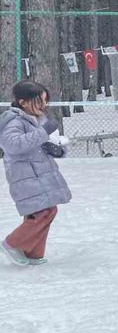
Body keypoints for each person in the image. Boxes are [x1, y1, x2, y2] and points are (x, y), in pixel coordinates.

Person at [0, 81, 71, 267]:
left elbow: (50, 140)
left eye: (45, 102)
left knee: (45, 210)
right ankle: (12, 243)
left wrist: (57, 149)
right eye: (39, 101)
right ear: (23, 102)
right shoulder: (13, 121)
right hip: (25, 176)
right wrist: (42, 133)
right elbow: (13, 145)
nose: (44, 106)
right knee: (42, 212)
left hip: (41, 174)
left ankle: (32, 252)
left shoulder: (37, 119)